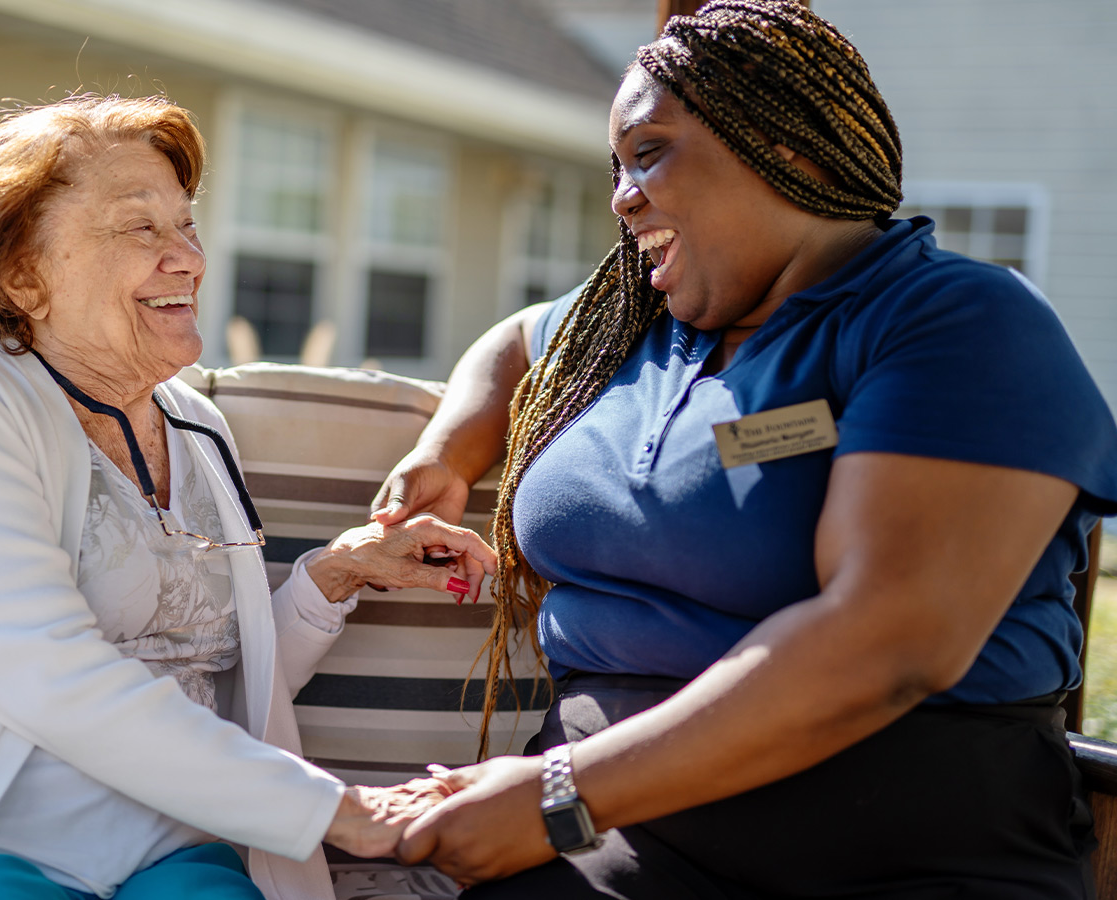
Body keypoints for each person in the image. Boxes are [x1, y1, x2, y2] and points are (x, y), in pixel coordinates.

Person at [374, 2, 1117, 897]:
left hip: (890, 849)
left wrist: (560, 797)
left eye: (649, 152)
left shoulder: (954, 321)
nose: (621, 194)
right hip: (602, 838)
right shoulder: (628, 326)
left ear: (787, 149)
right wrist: (449, 450)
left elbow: (890, 642)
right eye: (616, 165)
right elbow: (514, 343)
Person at [0, 94, 496, 900]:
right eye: (141, 228)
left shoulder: (195, 425)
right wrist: (338, 809)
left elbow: (211, 677)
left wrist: (335, 576)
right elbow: (41, 667)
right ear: (21, 274)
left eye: (187, 224)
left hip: (172, 850)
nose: (190, 259)